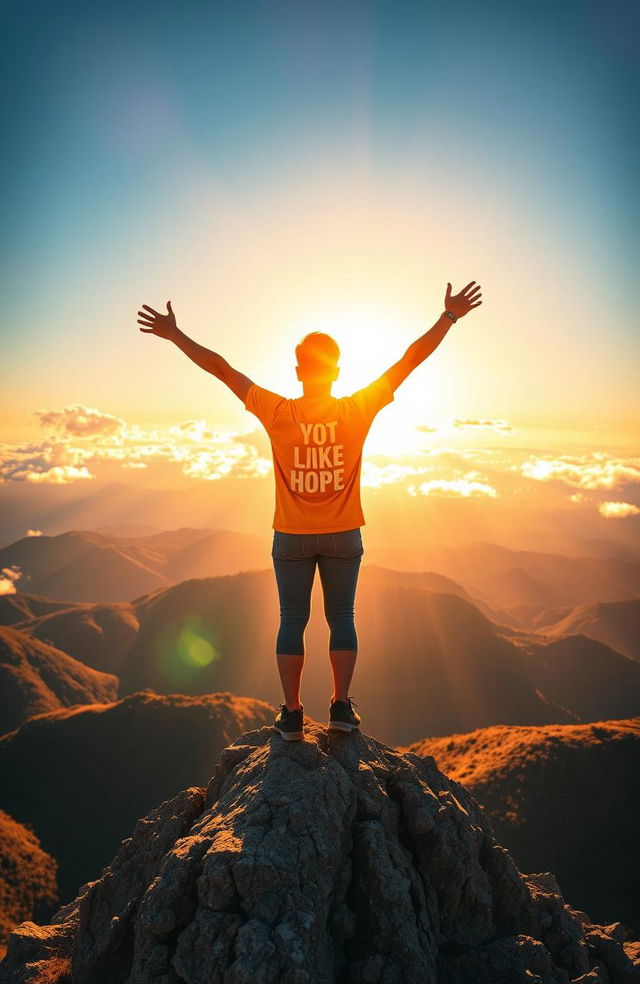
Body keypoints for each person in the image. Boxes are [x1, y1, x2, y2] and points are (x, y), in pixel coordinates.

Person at [136, 280, 483, 741]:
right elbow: (408, 362)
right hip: (344, 534)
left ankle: (292, 713)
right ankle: (341, 708)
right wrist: (449, 318)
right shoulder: (357, 409)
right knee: (342, 616)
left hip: (292, 538)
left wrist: (176, 335)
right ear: (336, 370)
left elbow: (221, 369)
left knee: (291, 621)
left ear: (298, 369)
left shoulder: (275, 410)